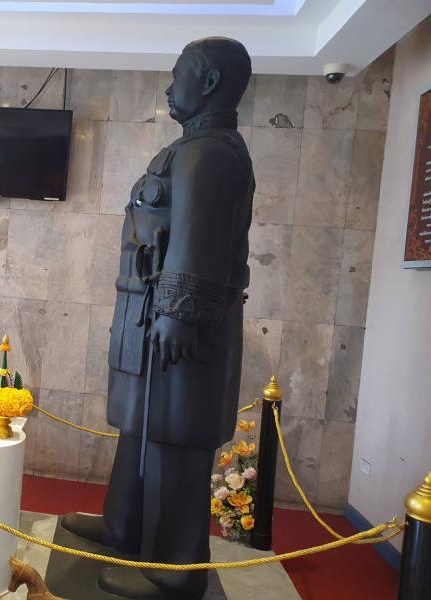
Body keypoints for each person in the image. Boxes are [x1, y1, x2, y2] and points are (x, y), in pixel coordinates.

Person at [61, 38, 255, 599]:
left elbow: (196, 240)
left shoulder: (212, 154)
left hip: (179, 327)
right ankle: (124, 529)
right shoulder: (192, 149)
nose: (170, 88)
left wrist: (178, 313)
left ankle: (176, 568)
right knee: (139, 427)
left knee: (174, 438)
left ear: (209, 83)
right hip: (151, 318)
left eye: (178, 75)